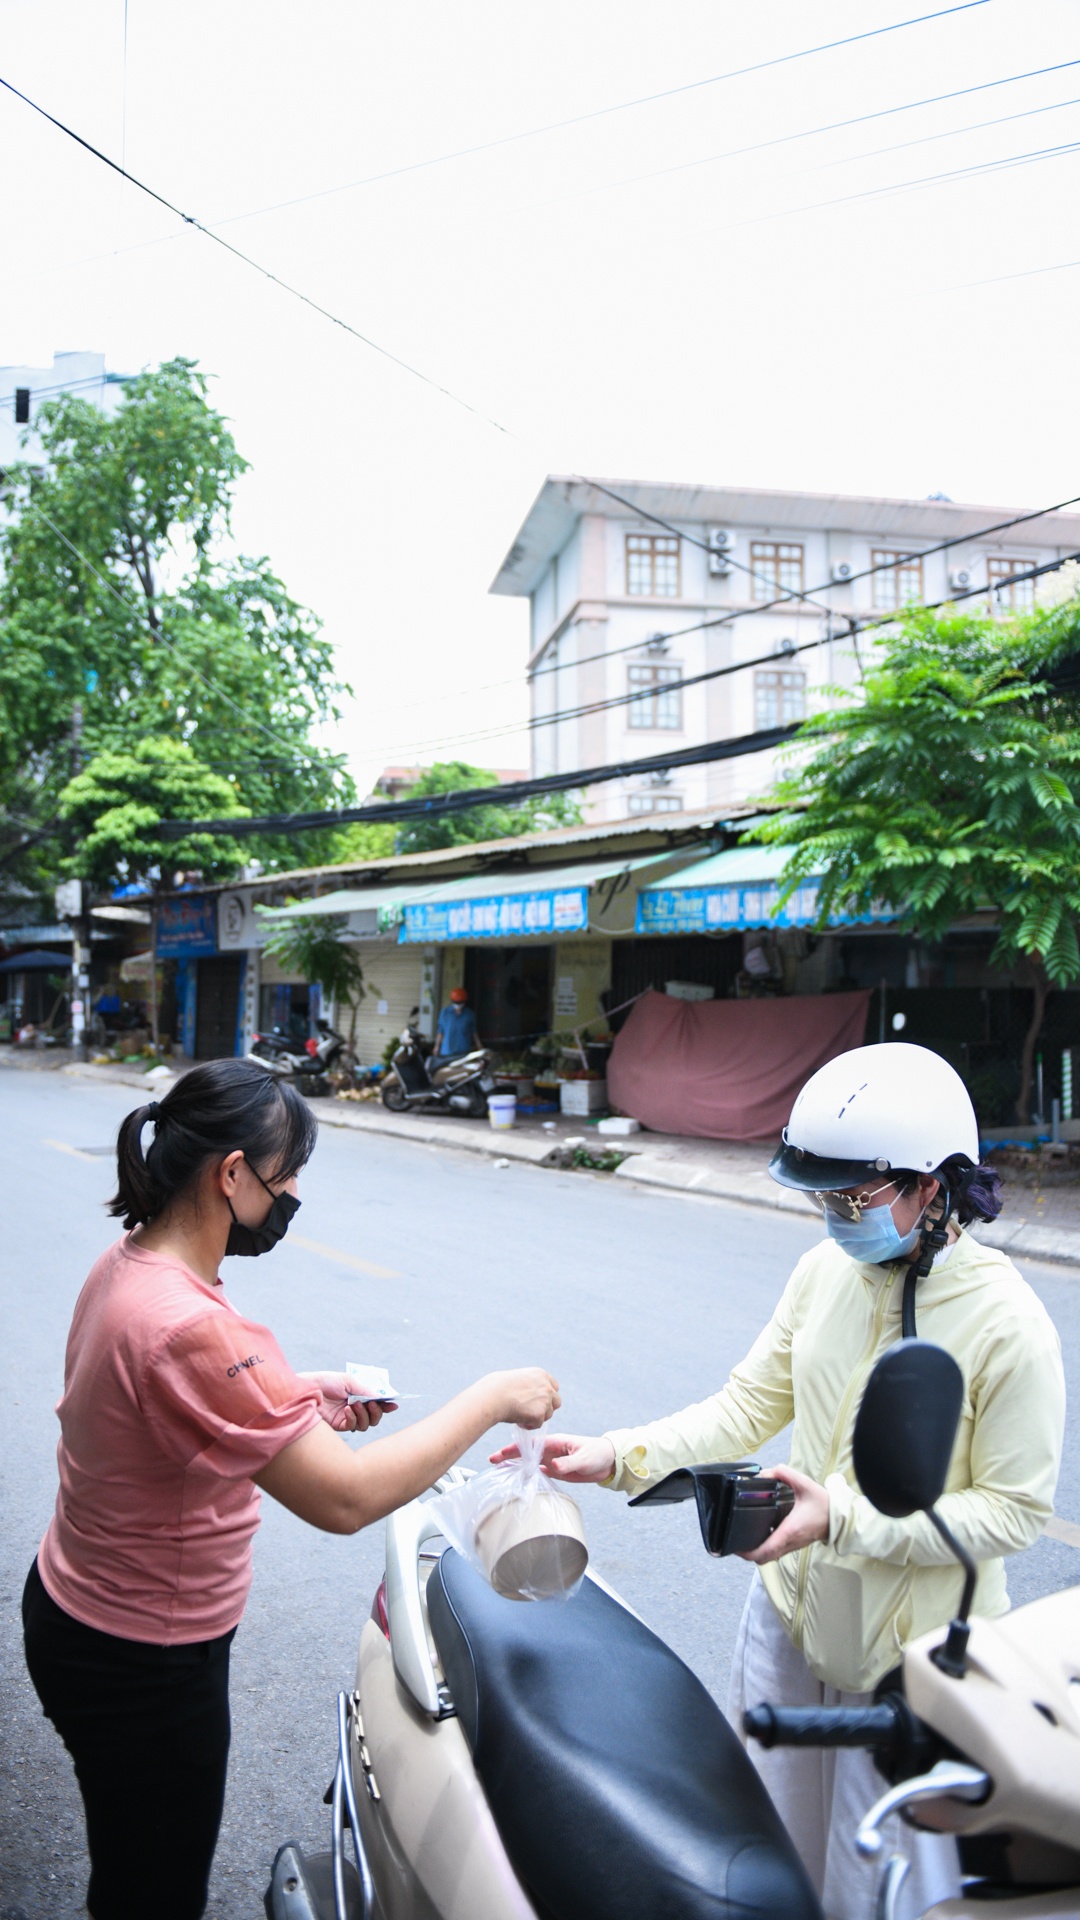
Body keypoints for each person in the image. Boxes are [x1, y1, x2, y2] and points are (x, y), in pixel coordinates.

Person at [494, 1043, 1066, 1920]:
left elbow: (1014, 1512)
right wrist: (616, 1455)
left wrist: (842, 1517)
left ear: (938, 1184)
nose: (835, 1218)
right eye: (822, 1198)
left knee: (877, 1890)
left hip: (914, 1665)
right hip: (790, 1624)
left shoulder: (1009, 1323)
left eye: (854, 1197)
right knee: (763, 1864)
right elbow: (745, 1406)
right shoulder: (823, 1274)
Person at [23, 1058, 559, 1920]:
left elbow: (184, 1406)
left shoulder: (131, 1267)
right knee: (150, 1890)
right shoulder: (190, 1323)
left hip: (82, 1610)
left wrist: (298, 1395)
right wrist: (491, 1399)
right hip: (141, 1656)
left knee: (129, 1855)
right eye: (287, 1175)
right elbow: (342, 1498)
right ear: (231, 1173)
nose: (294, 1194)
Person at [434, 984, 480, 1058]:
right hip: (447, 1051)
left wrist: (479, 1046)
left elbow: (474, 1033)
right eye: (456, 1003)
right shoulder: (445, 1013)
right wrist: (437, 1047)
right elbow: (440, 1031)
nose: (458, 1005)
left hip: (463, 1051)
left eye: (460, 1003)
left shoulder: (469, 1014)